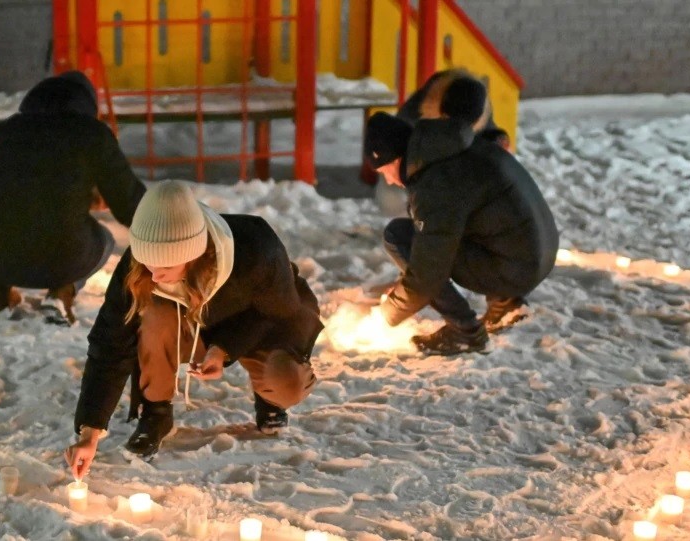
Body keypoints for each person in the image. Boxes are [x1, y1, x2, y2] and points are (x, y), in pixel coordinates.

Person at [65, 180, 322, 472]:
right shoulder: (141, 266)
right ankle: (156, 412)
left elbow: (280, 316)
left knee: (286, 382)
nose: (155, 275)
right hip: (191, 325)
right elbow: (110, 342)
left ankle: (269, 397)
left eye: (165, 268)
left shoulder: (256, 248)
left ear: (194, 255)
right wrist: (90, 432)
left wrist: (223, 349)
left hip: (257, 326)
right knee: (153, 315)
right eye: (148, 264)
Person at [367, 76, 559, 354]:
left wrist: (387, 314)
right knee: (445, 233)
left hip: (518, 265)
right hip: (535, 254)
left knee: (399, 237)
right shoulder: (453, 147)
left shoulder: (435, 181)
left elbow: (428, 270)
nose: (391, 181)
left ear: (394, 159)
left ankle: (465, 331)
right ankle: (505, 303)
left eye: (384, 171)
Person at [0, 70, 146, 324]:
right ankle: (61, 294)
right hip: (63, 258)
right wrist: (169, 230)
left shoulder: (10, 129)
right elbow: (129, 202)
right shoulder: (91, 133)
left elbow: (3, 187)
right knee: (105, 239)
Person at [397, 68, 511, 150]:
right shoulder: (424, 107)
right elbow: (402, 125)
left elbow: (488, 130)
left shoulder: (477, 105)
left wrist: (497, 138)